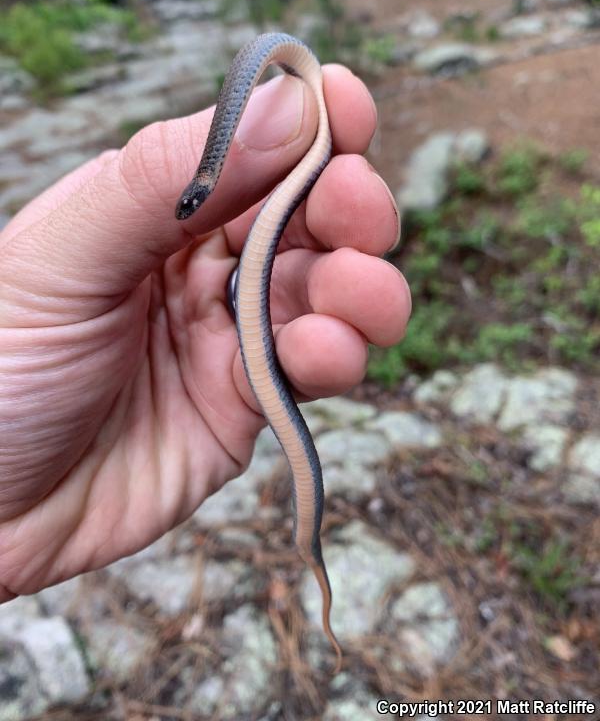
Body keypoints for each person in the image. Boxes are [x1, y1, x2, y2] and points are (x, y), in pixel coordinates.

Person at [0, 64, 411, 602]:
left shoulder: (221, 156)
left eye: (193, 203)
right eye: (192, 204)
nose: (191, 209)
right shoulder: (203, 188)